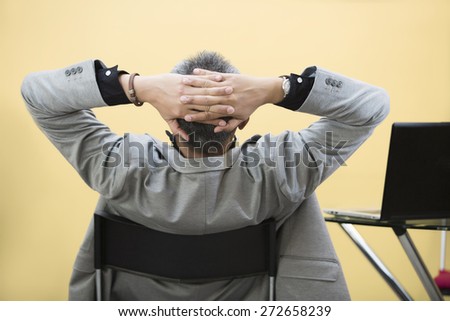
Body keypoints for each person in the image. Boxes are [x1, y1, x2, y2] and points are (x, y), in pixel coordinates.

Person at [21, 51, 389, 300]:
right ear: (242, 118)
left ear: (169, 118)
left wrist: (139, 86)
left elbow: (36, 94)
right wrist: (276, 89)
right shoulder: (283, 170)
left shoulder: (120, 168)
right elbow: (372, 106)